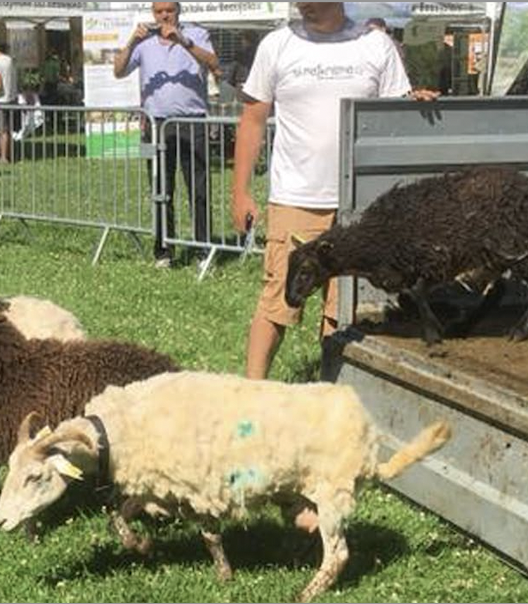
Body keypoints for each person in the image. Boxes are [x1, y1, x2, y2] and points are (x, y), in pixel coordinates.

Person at [232, 2, 439, 383]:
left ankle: (331, 388)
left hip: (359, 204)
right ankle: (250, 393)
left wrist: (415, 106)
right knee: (279, 299)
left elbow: (394, 113)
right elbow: (253, 119)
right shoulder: (277, 45)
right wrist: (240, 192)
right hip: (297, 198)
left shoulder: (376, 45)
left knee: (343, 306)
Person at [114, 2, 220, 267]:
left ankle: (202, 248)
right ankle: (163, 250)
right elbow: (117, 71)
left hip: (191, 122)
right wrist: (131, 41)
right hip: (155, 125)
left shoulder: (196, 34)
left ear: (178, 11)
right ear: (153, 13)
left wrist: (183, 41)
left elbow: (215, 64)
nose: (164, 15)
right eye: (158, 11)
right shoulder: (144, 41)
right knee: (160, 190)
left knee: (198, 187)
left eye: (169, 10)